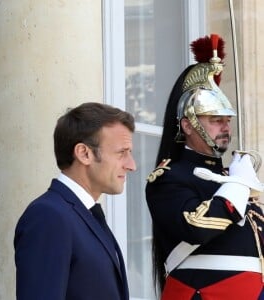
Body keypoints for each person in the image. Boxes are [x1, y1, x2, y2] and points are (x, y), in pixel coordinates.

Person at [145, 34, 264, 299]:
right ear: (188, 125)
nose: (225, 126)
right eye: (215, 119)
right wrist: (237, 185)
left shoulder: (228, 176)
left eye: (227, 119)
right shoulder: (169, 178)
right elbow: (196, 226)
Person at [14, 102, 136, 300]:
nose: (132, 165)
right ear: (84, 154)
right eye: (122, 152)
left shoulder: (80, 215)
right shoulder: (49, 216)